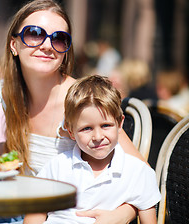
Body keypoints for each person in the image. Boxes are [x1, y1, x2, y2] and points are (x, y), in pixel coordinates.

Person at [0, 0, 145, 223]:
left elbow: (142, 174)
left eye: (59, 38)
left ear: (66, 51)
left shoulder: (81, 101)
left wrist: (121, 214)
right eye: (34, 33)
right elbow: (12, 155)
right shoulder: (8, 95)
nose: (46, 45)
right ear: (13, 44)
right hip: (20, 207)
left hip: (65, 216)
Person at [24, 75, 161, 224]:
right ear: (71, 132)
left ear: (120, 123)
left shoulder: (138, 172)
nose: (97, 136)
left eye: (105, 125)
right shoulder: (57, 167)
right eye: (87, 128)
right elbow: (34, 217)